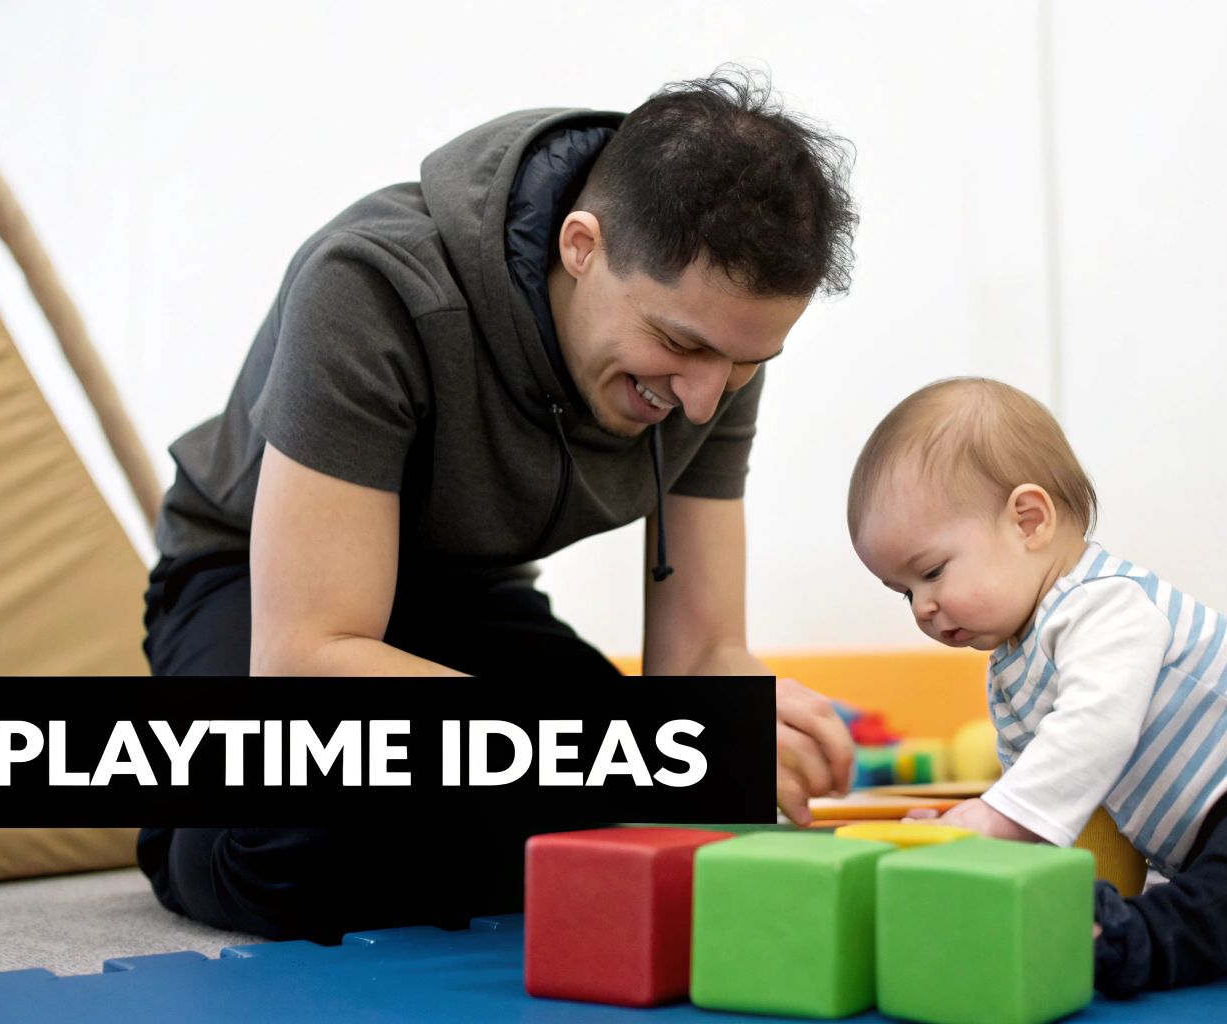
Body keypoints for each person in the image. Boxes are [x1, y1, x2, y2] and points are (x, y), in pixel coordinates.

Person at [136, 69, 858, 942]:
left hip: (463, 593)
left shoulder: (713, 358)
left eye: (745, 363)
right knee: (295, 843)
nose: (705, 398)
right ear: (580, 246)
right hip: (260, 589)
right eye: (678, 344)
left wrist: (737, 719)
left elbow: (699, 655)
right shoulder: (372, 286)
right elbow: (309, 657)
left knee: (625, 805)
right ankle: (186, 821)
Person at [847, 377, 1227, 996]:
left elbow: (1095, 727)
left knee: (1221, 885)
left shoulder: (1103, 605)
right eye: (904, 591)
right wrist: (979, 860)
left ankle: (1133, 944)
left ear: (1028, 521)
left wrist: (998, 820)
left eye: (933, 572)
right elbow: (1045, 796)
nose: (923, 608)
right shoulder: (1011, 674)